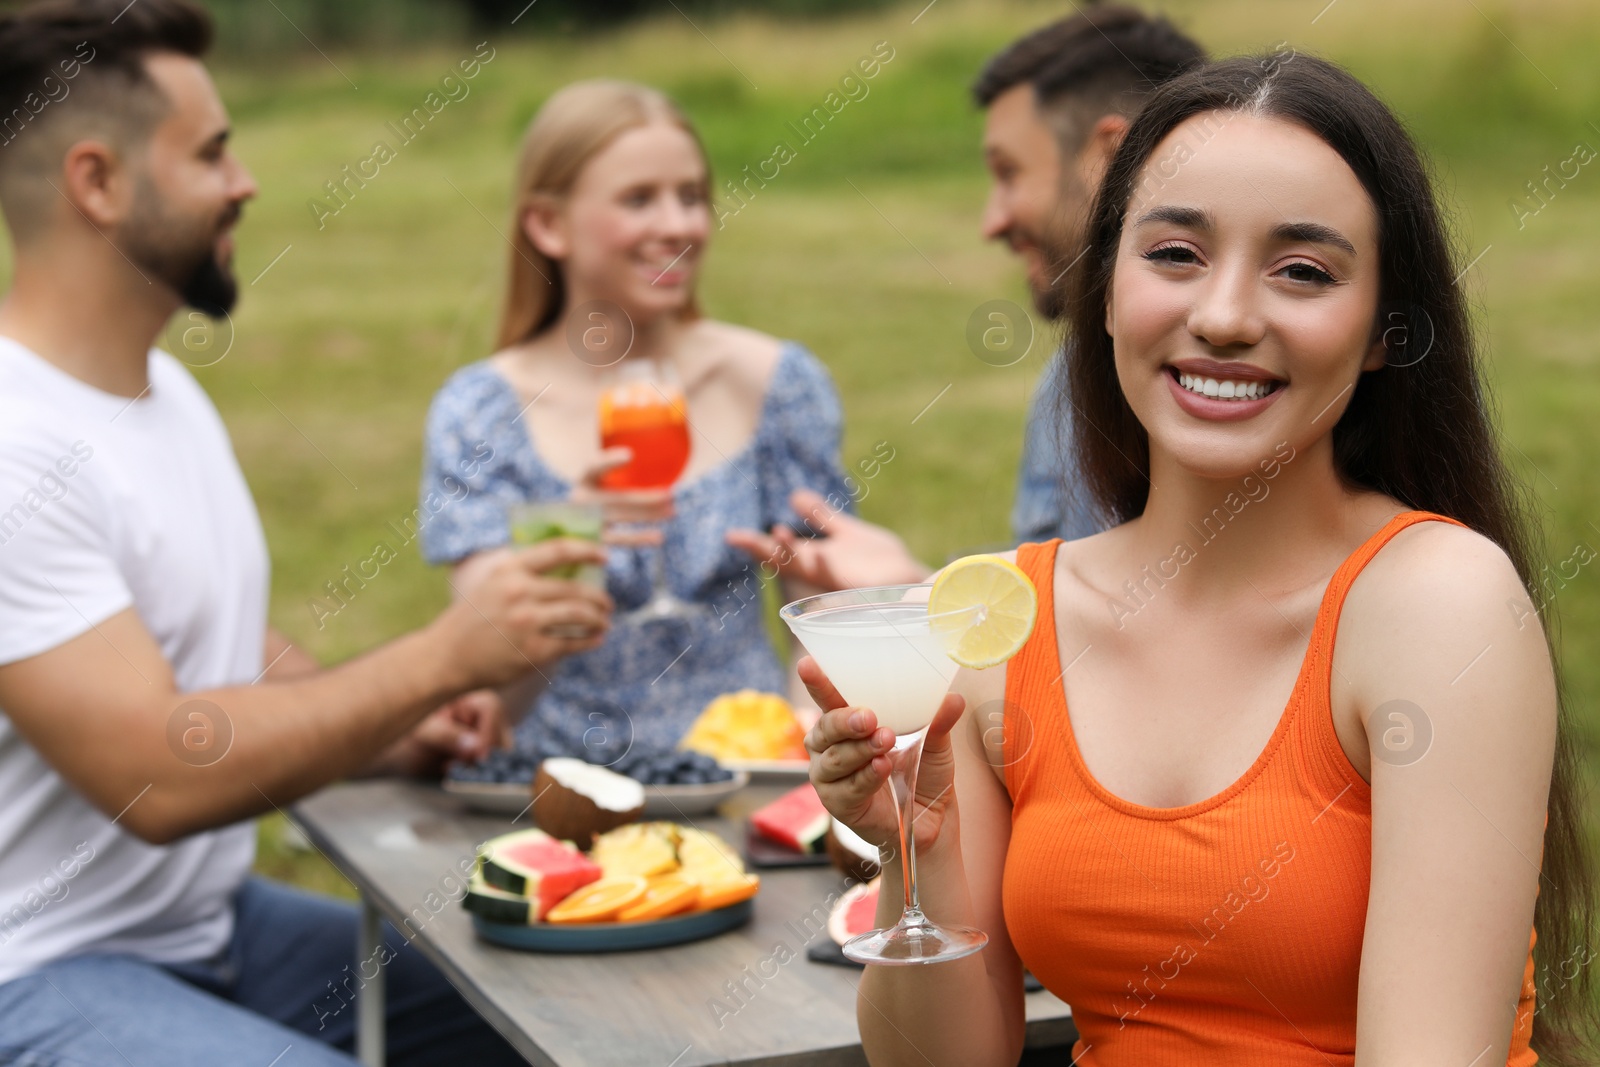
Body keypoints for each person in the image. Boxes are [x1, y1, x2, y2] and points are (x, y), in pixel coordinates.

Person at [805, 53, 1596, 1065]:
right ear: (1101, 287)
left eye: (1301, 271)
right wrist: (919, 852)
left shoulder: (1435, 605)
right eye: (1174, 253)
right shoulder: (1001, 618)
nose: (1223, 315)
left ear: (1380, 334)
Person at [0, 2, 608, 1061]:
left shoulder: (166, 391)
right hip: (40, 966)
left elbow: (210, 646)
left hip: (210, 923)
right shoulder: (16, 445)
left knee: (553, 1023)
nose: (247, 183)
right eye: (213, 153)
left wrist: (404, 714)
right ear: (96, 183)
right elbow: (161, 772)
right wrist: (439, 652)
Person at [419, 80, 854, 760]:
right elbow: (487, 681)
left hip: (748, 766)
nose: (679, 225)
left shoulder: (773, 381)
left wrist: (804, 751)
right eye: (639, 199)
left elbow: (820, 613)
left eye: (692, 196)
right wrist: (566, 542)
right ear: (547, 225)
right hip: (558, 779)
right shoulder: (480, 412)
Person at [726, 6, 1204, 585]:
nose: (992, 221)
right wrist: (912, 591)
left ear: (1107, 158)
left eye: (1008, 173)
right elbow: (1062, 627)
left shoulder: (1210, 386)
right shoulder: (1070, 379)